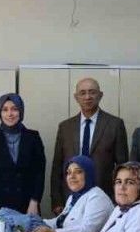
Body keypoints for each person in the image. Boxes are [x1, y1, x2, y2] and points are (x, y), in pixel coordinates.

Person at [49, 77, 128, 212]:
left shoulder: (115, 125)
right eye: (83, 93)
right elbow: (57, 166)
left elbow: (123, 166)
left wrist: (118, 200)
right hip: (70, 198)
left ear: (100, 95)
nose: (87, 97)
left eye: (92, 92)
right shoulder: (65, 127)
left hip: (104, 198)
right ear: (76, 97)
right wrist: (57, 201)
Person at [0, 93, 46, 215]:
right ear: (0, 113)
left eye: (14, 109)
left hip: (28, 206)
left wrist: (34, 201)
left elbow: (39, 173)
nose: (10, 114)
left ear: (21, 111)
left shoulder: (33, 137)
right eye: (5, 110)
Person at [32, 155, 112, 232]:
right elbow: (59, 221)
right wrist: (35, 223)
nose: (72, 176)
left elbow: (87, 230)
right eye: (69, 173)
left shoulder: (97, 198)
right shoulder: (74, 197)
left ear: (88, 174)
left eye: (78, 172)